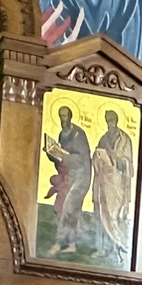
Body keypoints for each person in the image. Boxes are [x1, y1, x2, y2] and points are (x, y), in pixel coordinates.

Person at [44, 104, 93, 255]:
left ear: (70, 117)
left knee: (68, 207)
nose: (63, 119)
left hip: (82, 176)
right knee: (71, 210)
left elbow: (81, 160)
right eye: (61, 116)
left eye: (65, 116)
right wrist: (51, 153)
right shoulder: (62, 135)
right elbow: (61, 159)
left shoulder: (79, 135)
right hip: (70, 176)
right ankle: (72, 244)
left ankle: (58, 243)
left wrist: (63, 156)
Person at [92, 108, 135, 262]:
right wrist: (98, 157)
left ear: (116, 121)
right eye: (108, 120)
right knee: (102, 214)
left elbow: (128, 164)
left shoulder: (124, 139)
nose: (110, 123)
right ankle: (103, 248)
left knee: (114, 216)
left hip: (117, 185)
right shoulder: (104, 138)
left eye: (112, 120)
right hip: (104, 184)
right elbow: (96, 156)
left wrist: (116, 160)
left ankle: (117, 249)